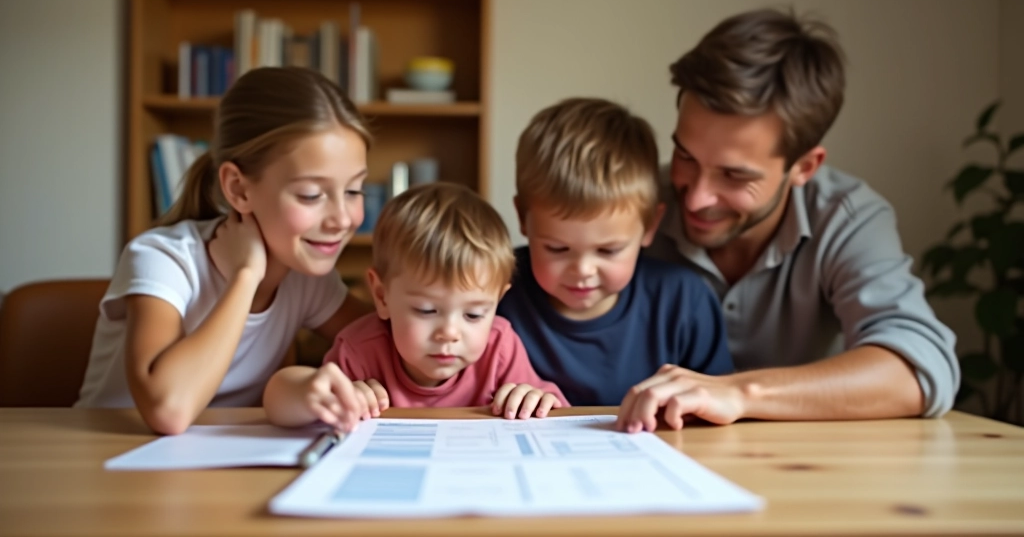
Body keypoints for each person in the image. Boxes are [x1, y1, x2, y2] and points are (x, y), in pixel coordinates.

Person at [618, 8, 959, 433]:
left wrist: (741, 393)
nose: (696, 196)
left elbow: (918, 367)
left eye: (734, 175)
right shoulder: (634, 204)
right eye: (686, 155)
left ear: (804, 167)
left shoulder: (846, 217)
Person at [75, 67, 373, 436]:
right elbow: (168, 409)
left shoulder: (307, 277)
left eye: (355, 191)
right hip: (104, 456)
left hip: (218, 463)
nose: (343, 218)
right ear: (238, 189)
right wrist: (245, 276)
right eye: (311, 195)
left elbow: (398, 347)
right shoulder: (162, 259)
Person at [263, 182, 568, 428]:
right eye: (426, 310)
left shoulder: (500, 346)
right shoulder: (360, 350)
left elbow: (556, 412)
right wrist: (316, 394)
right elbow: (280, 400)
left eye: (474, 314)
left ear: (497, 301)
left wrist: (538, 400)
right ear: (382, 296)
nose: (449, 333)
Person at [497, 98, 734, 407]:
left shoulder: (684, 302)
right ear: (522, 218)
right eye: (557, 248)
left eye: (608, 251)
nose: (583, 270)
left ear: (650, 226)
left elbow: (717, 409)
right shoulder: (497, 291)